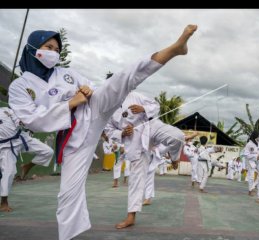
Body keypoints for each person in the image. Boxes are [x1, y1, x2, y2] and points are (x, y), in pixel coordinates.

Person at [8, 25, 197, 240]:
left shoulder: (66, 73)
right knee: (68, 195)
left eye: (56, 49)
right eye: (48, 47)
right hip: (74, 138)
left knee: (125, 77)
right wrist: (70, 103)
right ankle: (67, 236)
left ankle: (174, 49)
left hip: (94, 110)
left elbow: (88, 87)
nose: (53, 52)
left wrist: (86, 90)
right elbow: (32, 120)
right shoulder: (19, 86)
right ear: (33, 48)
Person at [104, 91, 191, 229]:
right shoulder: (107, 109)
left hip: (151, 126)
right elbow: (108, 130)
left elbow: (155, 105)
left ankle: (174, 158)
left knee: (178, 136)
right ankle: (131, 217)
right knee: (135, 181)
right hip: (134, 141)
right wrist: (121, 133)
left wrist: (143, 109)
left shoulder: (134, 95)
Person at [0, 107, 53, 212]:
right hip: (6, 147)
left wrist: (22, 122)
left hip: (21, 137)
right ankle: (3, 202)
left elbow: (17, 120)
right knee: (9, 172)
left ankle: (27, 166)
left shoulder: (5, 110)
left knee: (48, 151)